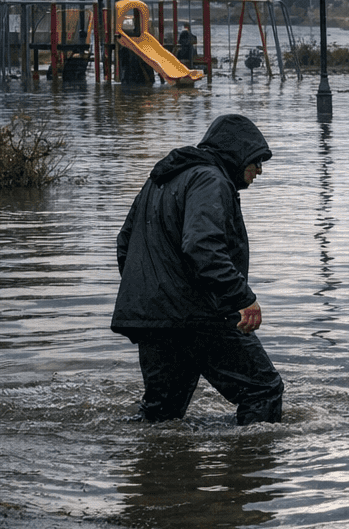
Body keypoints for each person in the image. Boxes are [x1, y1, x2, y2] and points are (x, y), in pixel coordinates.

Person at [112, 114, 283, 424]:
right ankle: (250, 456)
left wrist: (155, 294)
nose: (259, 170)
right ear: (236, 153)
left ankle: (144, 457)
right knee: (262, 390)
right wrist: (241, 297)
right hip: (198, 315)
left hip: (154, 319)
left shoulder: (159, 180)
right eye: (256, 160)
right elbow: (202, 246)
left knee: (162, 416)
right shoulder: (211, 180)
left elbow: (125, 243)